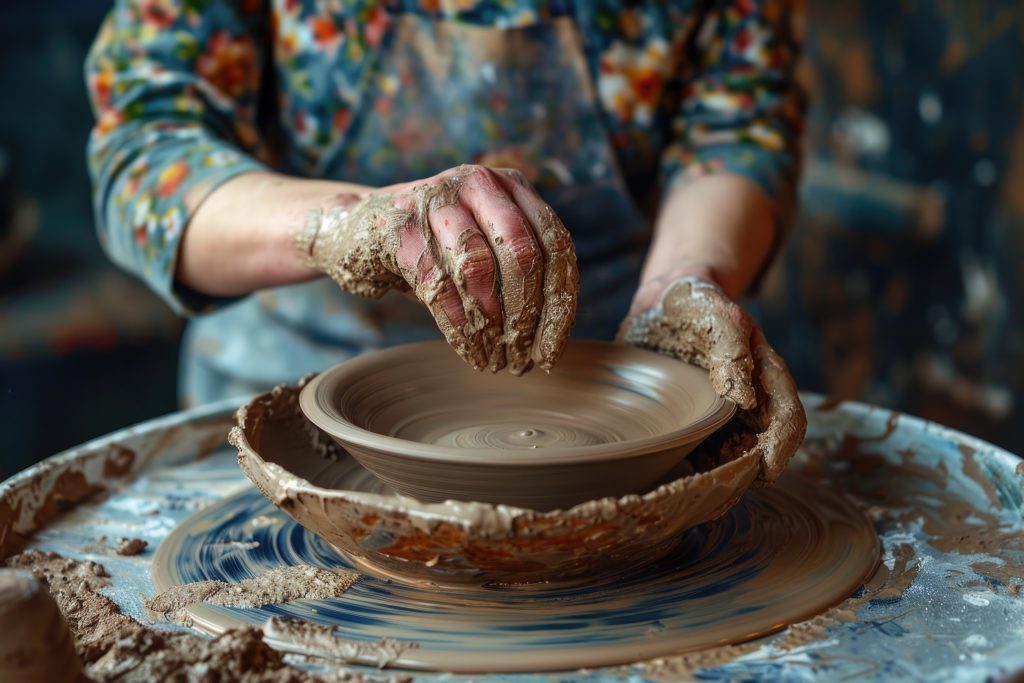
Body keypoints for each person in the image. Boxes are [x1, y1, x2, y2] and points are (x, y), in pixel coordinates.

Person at [86, 1, 805, 482]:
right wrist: (344, 225)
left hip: (619, 389)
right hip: (296, 404)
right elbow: (148, 147)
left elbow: (738, 124)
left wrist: (684, 278)